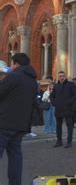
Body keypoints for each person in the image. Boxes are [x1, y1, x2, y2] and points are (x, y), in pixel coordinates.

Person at [0, 53, 38, 185]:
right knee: (15, 157)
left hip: (4, 122)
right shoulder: (33, 81)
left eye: (12, 63)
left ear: (16, 64)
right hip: (21, 125)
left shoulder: (14, 76)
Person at [50, 71, 76, 148]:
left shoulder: (71, 85)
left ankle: (69, 141)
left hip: (68, 108)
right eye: (60, 76)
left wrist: (69, 102)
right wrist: (54, 103)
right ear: (58, 77)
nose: (62, 77)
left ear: (66, 77)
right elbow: (52, 96)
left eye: (63, 76)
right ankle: (59, 141)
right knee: (58, 126)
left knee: (69, 125)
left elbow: (75, 95)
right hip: (58, 109)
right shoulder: (56, 86)